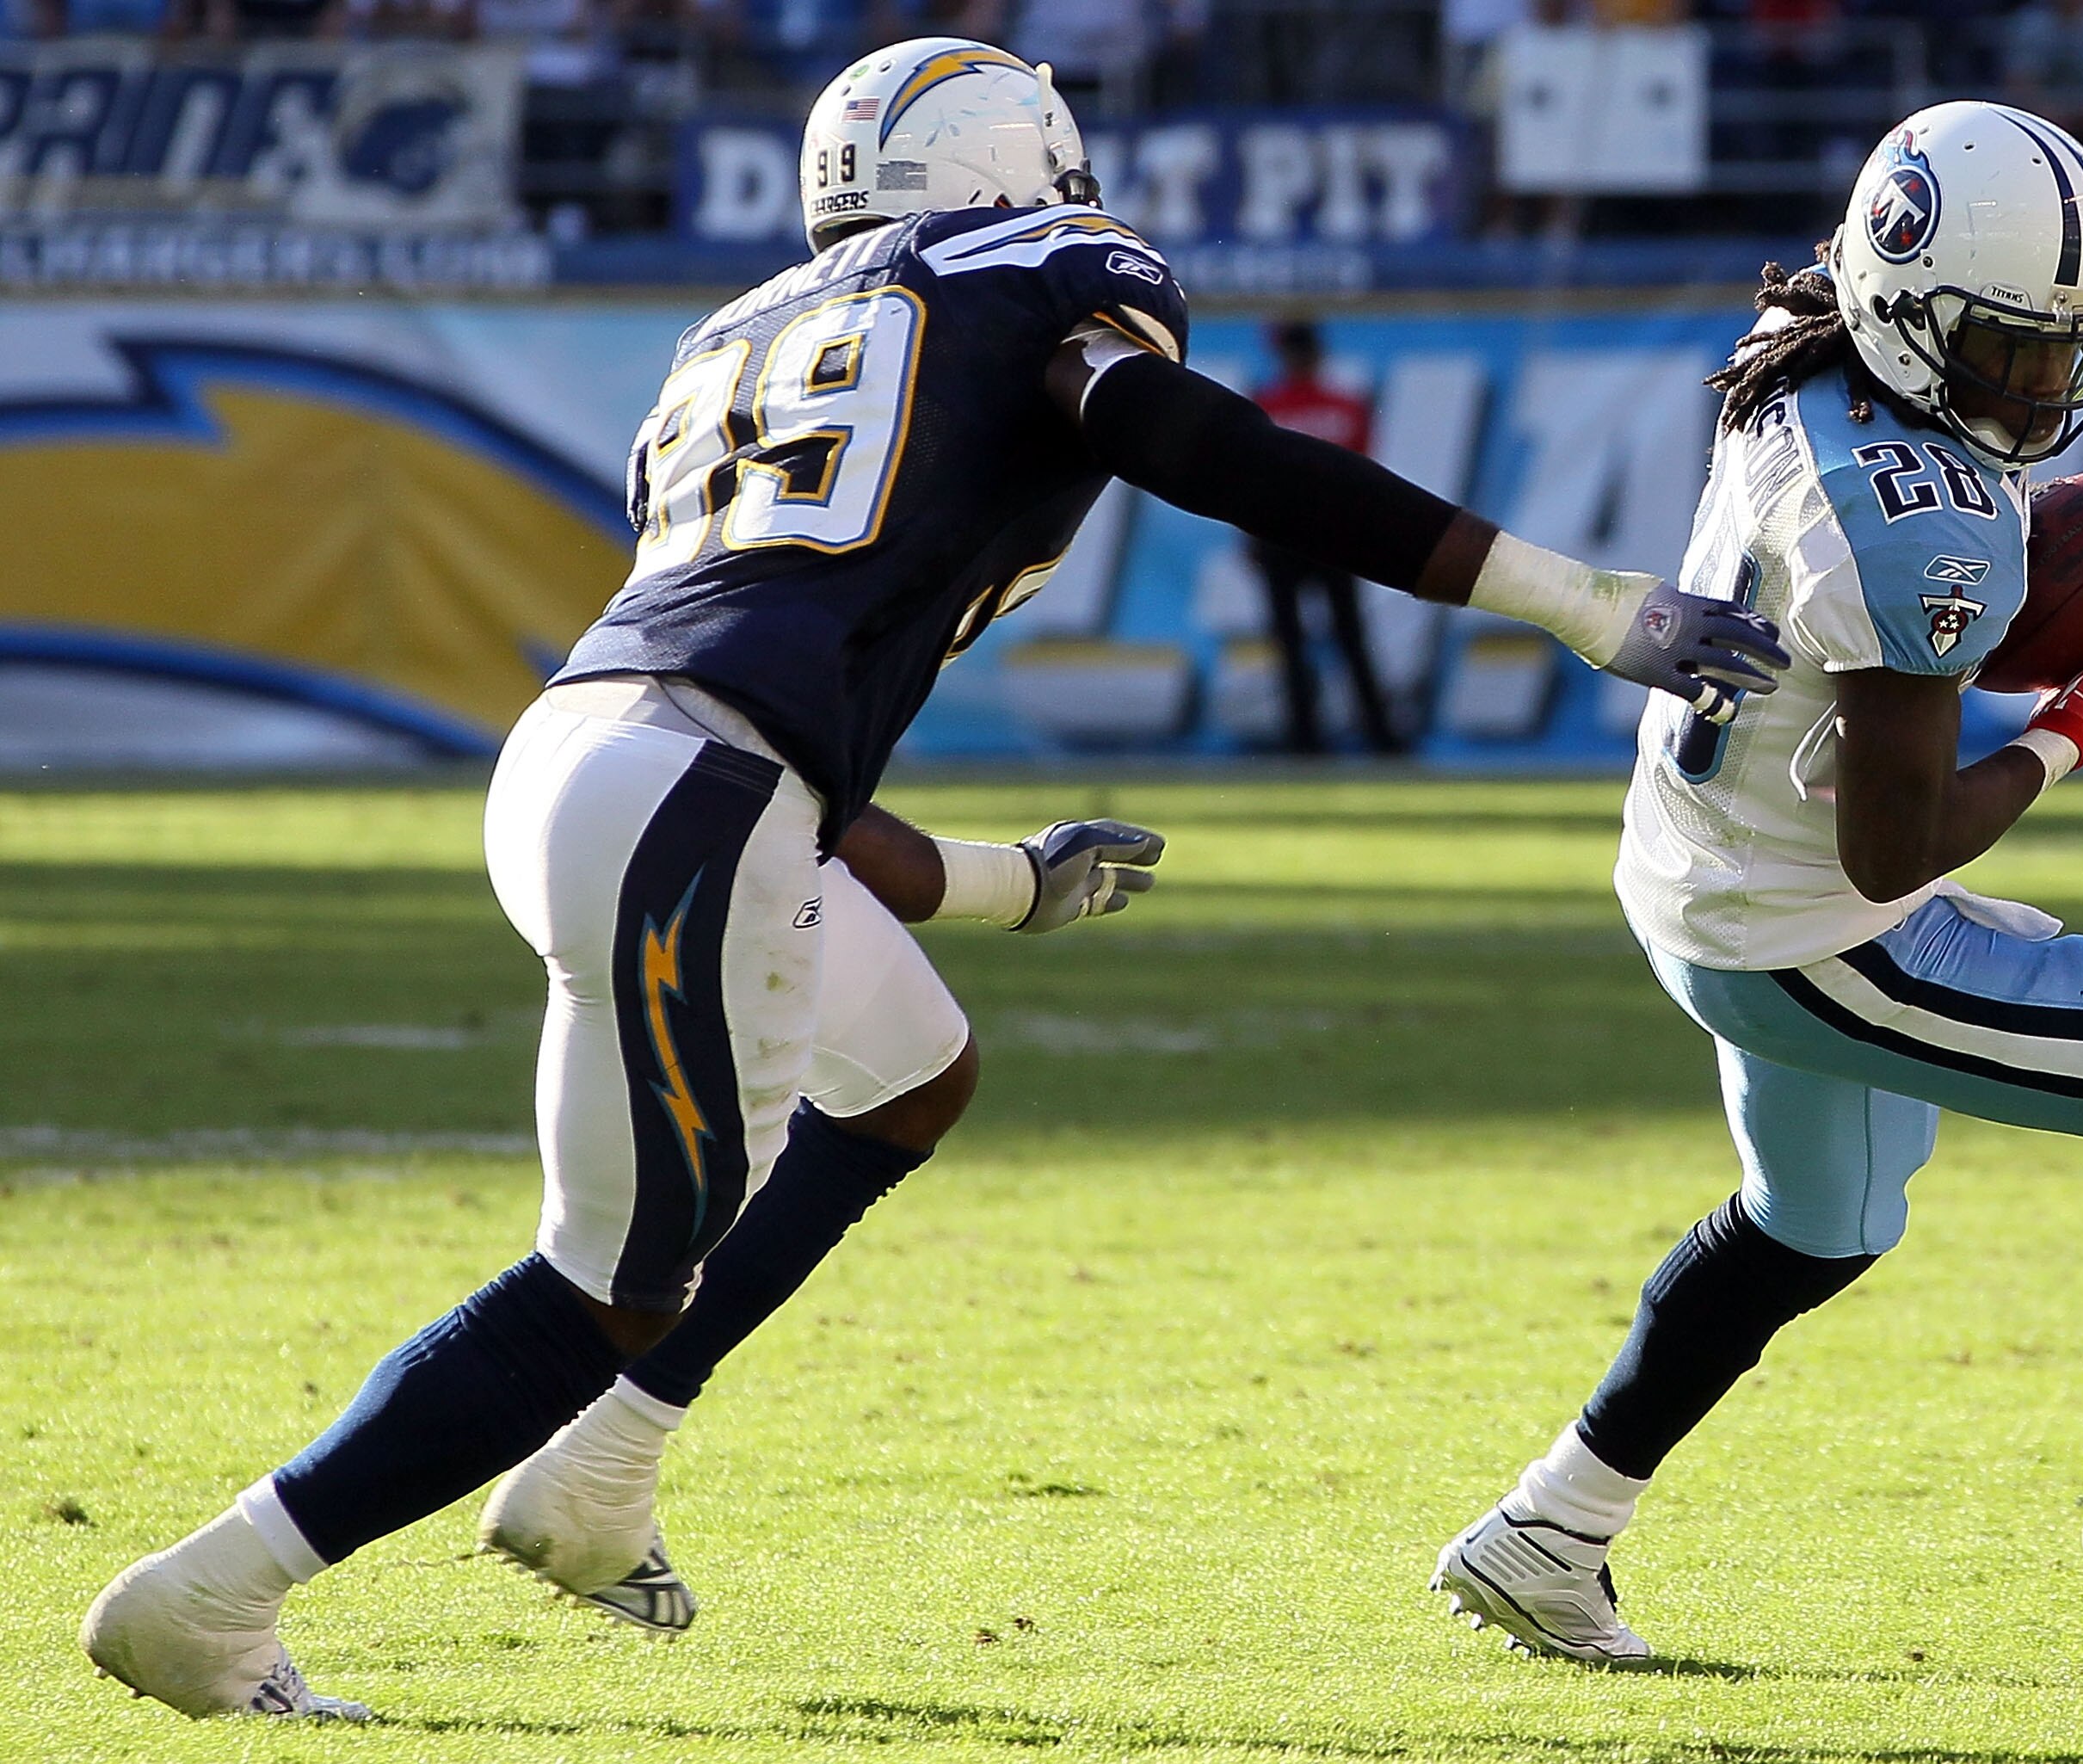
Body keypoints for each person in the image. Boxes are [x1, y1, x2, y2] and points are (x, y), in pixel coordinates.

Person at [81, 36, 1787, 1721]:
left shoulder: (734, 337)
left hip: (615, 754)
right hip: (694, 791)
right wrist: (1587, 604)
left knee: (907, 1074)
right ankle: (212, 1594)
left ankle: (599, 1472)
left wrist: (1002, 885)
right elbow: (1195, 441)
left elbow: (783, 739)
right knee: (600, 1283)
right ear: (1020, 173)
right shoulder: (1045, 271)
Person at [1432, 100, 2083, 1664]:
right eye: (2006, 348)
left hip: (1710, 870)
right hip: (1823, 923)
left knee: (1817, 1222)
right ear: (1903, 303)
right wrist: (2074, 727)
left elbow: (1899, 614)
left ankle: (1550, 1533)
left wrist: (2047, 557)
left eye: (2066, 346)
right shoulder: (1902, 516)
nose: (2043, 383)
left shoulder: (1805, 335)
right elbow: (1901, 836)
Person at [1247, 318, 1402, 755]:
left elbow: (1362, 475)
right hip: (1301, 536)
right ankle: (1311, 738)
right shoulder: (1302, 405)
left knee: (1344, 639)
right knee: (1302, 643)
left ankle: (1370, 736)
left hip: (1319, 536)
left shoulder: (1281, 406)